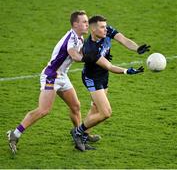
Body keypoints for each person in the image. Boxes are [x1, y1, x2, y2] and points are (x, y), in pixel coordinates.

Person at [7, 10, 99, 155]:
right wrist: (88, 58)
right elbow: (74, 55)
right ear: (75, 24)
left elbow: (80, 53)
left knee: (75, 106)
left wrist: (92, 54)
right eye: (84, 22)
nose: (87, 24)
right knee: (44, 110)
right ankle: (15, 134)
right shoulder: (71, 38)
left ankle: (79, 135)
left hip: (62, 76)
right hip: (51, 76)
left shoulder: (79, 38)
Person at [71, 15, 150, 151]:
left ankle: (83, 138)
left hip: (103, 76)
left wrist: (136, 48)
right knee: (106, 112)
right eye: (102, 27)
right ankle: (77, 131)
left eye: (106, 26)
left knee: (96, 108)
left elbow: (123, 40)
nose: (106, 29)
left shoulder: (108, 31)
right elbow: (109, 66)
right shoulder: (90, 48)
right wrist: (127, 71)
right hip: (92, 78)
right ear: (93, 30)